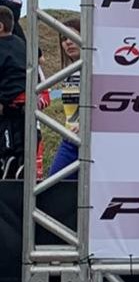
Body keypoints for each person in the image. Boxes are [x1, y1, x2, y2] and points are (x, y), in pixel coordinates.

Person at [48, 18, 81, 179]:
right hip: (70, 139)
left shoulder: (98, 69)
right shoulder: (68, 71)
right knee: (54, 186)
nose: (68, 42)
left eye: (72, 36)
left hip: (93, 140)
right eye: (64, 38)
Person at [0, 6, 27, 178]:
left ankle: (8, 160)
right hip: (25, 101)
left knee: (7, 144)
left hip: (8, 102)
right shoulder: (22, 44)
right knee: (21, 143)